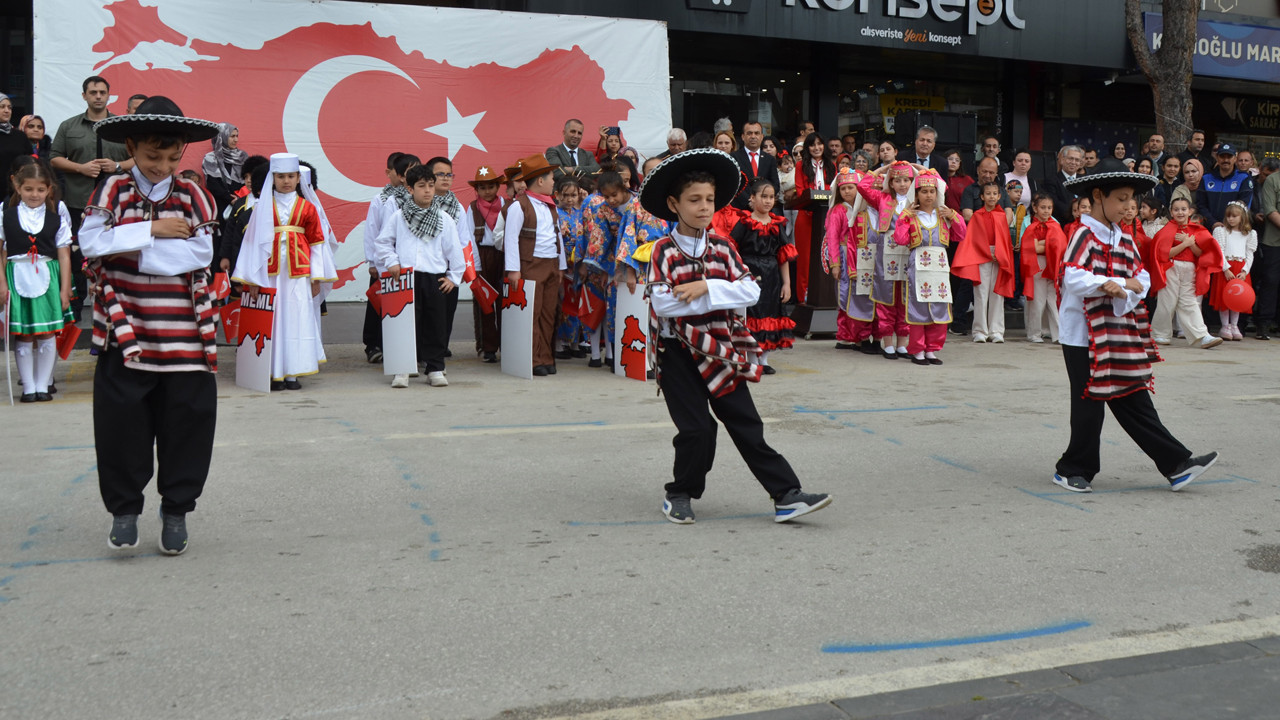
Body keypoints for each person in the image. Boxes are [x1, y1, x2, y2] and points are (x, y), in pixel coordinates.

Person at [636, 148, 831, 525]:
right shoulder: (662, 250)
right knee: (697, 430)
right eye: (694, 200)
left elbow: (751, 291)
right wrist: (719, 292)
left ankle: (786, 495)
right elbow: (663, 303)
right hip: (677, 353)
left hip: (722, 349)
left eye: (709, 199)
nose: (704, 208)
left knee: (747, 423)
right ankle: (680, 492)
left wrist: (705, 286)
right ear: (674, 204)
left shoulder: (723, 247)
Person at [76, 96, 221, 554]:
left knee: (188, 428)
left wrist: (126, 250)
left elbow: (200, 254)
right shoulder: (111, 190)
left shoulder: (195, 195)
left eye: (173, 158)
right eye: (153, 156)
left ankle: (176, 510)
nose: (162, 167)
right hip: (127, 333)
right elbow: (89, 243)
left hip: (186, 336)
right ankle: (124, 510)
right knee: (121, 429)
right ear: (131, 148)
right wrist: (153, 231)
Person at [1052, 158, 1219, 494]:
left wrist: (1125, 288)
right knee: (1089, 404)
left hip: (1117, 327)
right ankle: (1072, 469)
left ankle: (1176, 465)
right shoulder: (1083, 233)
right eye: (1122, 198)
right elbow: (1073, 277)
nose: (1128, 206)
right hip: (1084, 334)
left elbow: (1141, 277)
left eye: (1131, 199)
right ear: (1098, 196)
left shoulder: (1123, 236)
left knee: (1134, 397)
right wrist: (1111, 284)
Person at [232, 153, 335, 389]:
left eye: (290, 176)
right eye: (280, 176)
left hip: (299, 275)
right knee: (273, 320)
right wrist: (253, 279)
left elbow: (317, 243)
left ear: (298, 178)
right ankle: (272, 371)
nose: (286, 181)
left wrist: (316, 277)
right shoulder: (262, 207)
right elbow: (252, 244)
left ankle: (292, 372)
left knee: (296, 320)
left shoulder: (308, 208)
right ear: (273, 178)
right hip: (269, 275)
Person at [49, 76, 136, 318]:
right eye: (93, 92)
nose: (98, 96)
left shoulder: (121, 126)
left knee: (115, 255)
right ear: (84, 95)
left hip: (116, 204)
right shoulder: (69, 126)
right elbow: (54, 158)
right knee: (77, 257)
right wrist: (80, 168)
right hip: (79, 202)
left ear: (108, 95)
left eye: (102, 92)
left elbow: (139, 158)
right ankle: (75, 311)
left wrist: (117, 166)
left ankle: (118, 309)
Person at [376, 163, 464, 388]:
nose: (427, 191)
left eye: (431, 186)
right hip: (405, 278)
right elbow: (383, 242)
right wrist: (392, 262)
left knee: (435, 324)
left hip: (435, 278)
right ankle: (402, 369)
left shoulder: (444, 218)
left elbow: (454, 250)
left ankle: (435, 368)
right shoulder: (398, 217)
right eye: (421, 186)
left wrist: (453, 277)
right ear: (410, 189)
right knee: (405, 324)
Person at [1, 159, 73, 402]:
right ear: (18, 187)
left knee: (47, 333)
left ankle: (43, 385)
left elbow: (64, 255)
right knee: (24, 334)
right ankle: (28, 387)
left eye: (40, 189)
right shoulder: (6, 215)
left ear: (48, 189)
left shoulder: (56, 218)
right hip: (17, 275)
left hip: (47, 276)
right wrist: (1, 283)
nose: (34, 194)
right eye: (29, 189)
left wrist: (65, 289)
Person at [893, 168, 966, 365]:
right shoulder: (911, 216)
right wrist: (904, 217)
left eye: (932, 191)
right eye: (924, 191)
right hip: (918, 267)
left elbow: (961, 235)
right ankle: (917, 350)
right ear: (916, 194)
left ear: (937, 193)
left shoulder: (943, 215)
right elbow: (900, 239)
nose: (928, 195)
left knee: (940, 306)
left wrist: (954, 215)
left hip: (939, 268)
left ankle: (932, 349)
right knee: (919, 308)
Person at [504, 154, 566, 376]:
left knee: (549, 313)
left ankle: (547, 357)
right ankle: (533, 359)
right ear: (540, 181)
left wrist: (561, 266)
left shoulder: (551, 206)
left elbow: (557, 236)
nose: (553, 182)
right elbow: (510, 239)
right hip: (530, 265)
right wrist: (514, 269)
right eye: (551, 178)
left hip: (551, 264)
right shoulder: (519, 206)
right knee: (533, 313)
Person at [730, 178, 794, 372]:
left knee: (769, 313)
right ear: (752, 198)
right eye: (763, 196)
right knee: (752, 313)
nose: (767, 201)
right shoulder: (744, 222)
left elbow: (783, 255)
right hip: (749, 272)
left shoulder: (777, 223)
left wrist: (787, 284)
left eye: (771, 197)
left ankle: (764, 359)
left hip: (772, 275)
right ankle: (751, 358)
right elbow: (732, 250)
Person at [857, 161, 918, 359]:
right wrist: (881, 170)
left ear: (912, 182)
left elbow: (940, 185)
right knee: (886, 298)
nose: (902, 184)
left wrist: (918, 168)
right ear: (890, 183)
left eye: (906, 180)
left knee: (905, 298)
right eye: (897, 180)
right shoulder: (882, 198)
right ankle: (888, 343)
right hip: (886, 252)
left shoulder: (918, 199)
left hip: (909, 250)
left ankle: (902, 344)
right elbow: (862, 186)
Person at [1148, 196, 1224, 348]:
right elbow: (1164, 254)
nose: (1180, 212)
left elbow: (1200, 253)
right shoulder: (1166, 230)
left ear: (1190, 211)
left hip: (1190, 269)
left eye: (1183, 209)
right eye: (1176, 210)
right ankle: (1160, 334)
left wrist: (1190, 243)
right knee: (1167, 301)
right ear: (1171, 212)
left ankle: (1201, 336)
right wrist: (1185, 243)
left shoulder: (1197, 230)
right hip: (1171, 268)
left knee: (1190, 302)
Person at [954, 181, 1015, 343]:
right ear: (982, 196)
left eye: (994, 194)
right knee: (980, 294)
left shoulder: (1002, 216)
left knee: (997, 294)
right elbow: (972, 240)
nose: (991, 197)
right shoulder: (977, 216)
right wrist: (988, 252)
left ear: (999, 196)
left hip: (998, 257)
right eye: (988, 194)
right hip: (981, 256)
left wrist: (1000, 254)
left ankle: (996, 331)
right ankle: (979, 330)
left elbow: (1005, 239)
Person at [824, 169, 876, 353]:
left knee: (861, 295)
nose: (847, 191)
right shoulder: (838, 210)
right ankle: (846, 336)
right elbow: (832, 238)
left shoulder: (865, 209)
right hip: (846, 255)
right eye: (843, 188)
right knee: (846, 294)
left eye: (850, 187)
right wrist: (835, 264)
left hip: (864, 257)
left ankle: (856, 335)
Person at [425, 156, 469, 354]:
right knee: (426, 314)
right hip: (426, 267)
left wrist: (458, 270)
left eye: (449, 174)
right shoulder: (420, 204)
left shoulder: (457, 207)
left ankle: (441, 347)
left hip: (448, 269)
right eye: (440, 174)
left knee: (446, 311)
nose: (445, 178)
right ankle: (424, 351)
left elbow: (463, 240)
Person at [467, 165, 506, 363]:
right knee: (484, 302)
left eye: (491, 186)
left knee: (505, 302)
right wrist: (476, 266)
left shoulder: (506, 205)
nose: (487, 191)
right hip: (482, 255)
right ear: (477, 190)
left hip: (503, 255)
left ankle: (507, 345)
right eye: (482, 188)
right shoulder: (472, 208)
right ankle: (487, 347)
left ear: (498, 187)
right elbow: (469, 238)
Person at [793, 132, 834, 306]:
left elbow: (834, 189)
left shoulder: (831, 165)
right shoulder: (801, 166)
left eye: (819, 144)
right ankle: (803, 298)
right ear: (807, 148)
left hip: (826, 217)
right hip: (806, 216)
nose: (816, 148)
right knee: (804, 259)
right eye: (812, 144)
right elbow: (800, 190)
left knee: (826, 257)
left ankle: (825, 296)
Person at [1020, 193, 1065, 343]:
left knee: (1053, 299)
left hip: (1053, 263)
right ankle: (1034, 333)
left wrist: (1041, 243)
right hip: (1037, 264)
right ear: (1035, 208)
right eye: (1043, 207)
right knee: (1037, 299)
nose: (1046, 211)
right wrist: (1050, 243)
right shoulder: (1031, 227)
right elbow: (1033, 248)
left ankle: (1058, 333)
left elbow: (1060, 246)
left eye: (1049, 208)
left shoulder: (1055, 226)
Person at [1209, 201, 1257, 341]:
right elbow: (1219, 251)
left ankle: (1234, 325)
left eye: (1234, 216)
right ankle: (1225, 326)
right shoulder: (1221, 231)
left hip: (1240, 269)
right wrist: (1226, 269)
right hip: (1226, 268)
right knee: (1225, 297)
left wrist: (1245, 271)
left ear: (1242, 217)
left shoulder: (1249, 234)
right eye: (1228, 216)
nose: (1231, 219)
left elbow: (1250, 254)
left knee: (1237, 297)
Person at [216, 153, 268, 281]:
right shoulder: (239, 204)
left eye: (253, 176)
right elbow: (229, 232)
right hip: (240, 254)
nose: (249, 180)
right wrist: (225, 256)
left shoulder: (272, 202)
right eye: (246, 177)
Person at [1197, 143, 1253, 229]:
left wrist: (1229, 223)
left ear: (1235, 158)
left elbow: (1244, 204)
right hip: (1209, 228)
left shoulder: (1244, 178)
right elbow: (1201, 205)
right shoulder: (1206, 178)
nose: (1226, 160)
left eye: (1229, 156)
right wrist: (1213, 223)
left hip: (1234, 229)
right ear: (1217, 157)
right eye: (1222, 156)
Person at [200, 123, 248, 216]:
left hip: (242, 203)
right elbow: (212, 184)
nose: (236, 140)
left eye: (237, 136)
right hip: (220, 204)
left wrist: (240, 199)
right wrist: (229, 199)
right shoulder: (211, 158)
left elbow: (248, 179)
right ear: (222, 137)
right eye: (232, 136)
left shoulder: (242, 156)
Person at [731, 121, 780, 211]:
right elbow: (734, 184)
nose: (753, 136)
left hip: (764, 210)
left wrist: (761, 200)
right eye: (749, 133)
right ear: (743, 136)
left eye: (756, 133)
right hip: (740, 209)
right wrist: (750, 201)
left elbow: (775, 185)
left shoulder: (770, 159)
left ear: (762, 136)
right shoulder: (734, 157)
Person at [0, 94, 30, 194]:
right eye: (2, 107)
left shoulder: (20, 136)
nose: (7, 110)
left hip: (16, 190)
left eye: (9, 107)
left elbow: (30, 162)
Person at [942, 149, 972, 214]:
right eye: (950, 159)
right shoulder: (938, 178)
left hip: (960, 217)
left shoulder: (967, 180)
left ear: (959, 164)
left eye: (957, 160)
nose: (953, 162)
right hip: (940, 215)